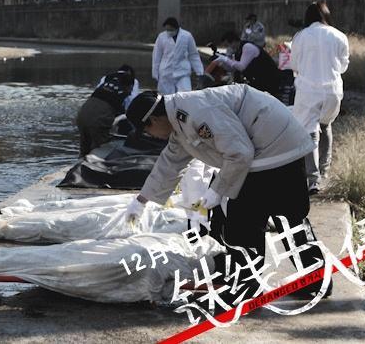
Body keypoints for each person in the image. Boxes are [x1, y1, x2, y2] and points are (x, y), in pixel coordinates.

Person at [123, 86, 324, 299]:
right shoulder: (180, 118)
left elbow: (240, 152)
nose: (150, 136)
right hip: (276, 147)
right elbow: (170, 162)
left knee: (244, 225)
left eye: (147, 131)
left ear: (153, 120)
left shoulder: (196, 112)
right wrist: (141, 201)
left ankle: (247, 286)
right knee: (286, 220)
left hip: (272, 150)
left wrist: (217, 190)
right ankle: (315, 281)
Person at [290, 2, 350, 194]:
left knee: (310, 133)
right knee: (326, 126)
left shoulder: (300, 37)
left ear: (307, 17)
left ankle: (313, 179)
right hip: (332, 90)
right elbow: (343, 66)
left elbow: (295, 65)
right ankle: (324, 173)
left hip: (308, 91)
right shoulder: (340, 36)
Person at [74, 64, 138, 157]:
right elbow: (132, 105)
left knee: (84, 149)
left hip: (82, 113)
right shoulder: (132, 81)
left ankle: (79, 168)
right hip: (99, 118)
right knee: (101, 150)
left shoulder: (107, 79)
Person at [212, 31, 281, 98]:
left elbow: (241, 66)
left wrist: (226, 59)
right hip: (257, 81)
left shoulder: (248, 47)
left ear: (233, 41)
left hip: (268, 80)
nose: (229, 48)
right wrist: (221, 62)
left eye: (228, 45)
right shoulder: (238, 51)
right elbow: (233, 68)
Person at [152, 17, 204, 94]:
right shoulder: (161, 37)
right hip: (166, 72)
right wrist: (155, 73)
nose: (169, 32)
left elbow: (193, 55)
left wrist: (199, 72)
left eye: (170, 30)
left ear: (176, 28)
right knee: (166, 98)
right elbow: (157, 55)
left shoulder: (187, 36)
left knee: (185, 95)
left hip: (182, 72)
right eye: (167, 30)